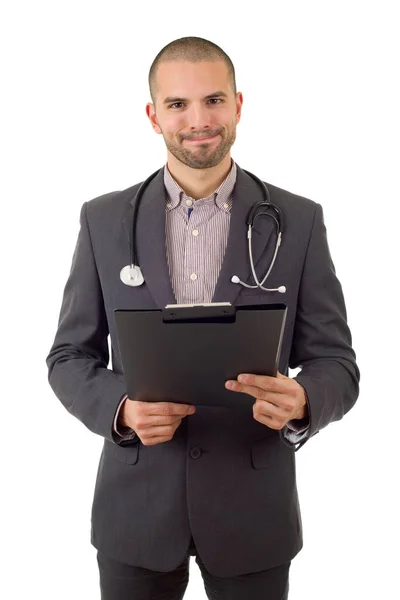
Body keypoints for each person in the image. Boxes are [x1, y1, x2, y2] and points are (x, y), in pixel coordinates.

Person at [45, 36, 360, 600]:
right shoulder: (104, 220)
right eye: (177, 105)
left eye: (214, 101)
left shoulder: (299, 220)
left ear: (239, 105)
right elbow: (69, 357)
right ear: (153, 115)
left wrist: (306, 399)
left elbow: (335, 361)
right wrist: (120, 410)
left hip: (252, 515)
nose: (198, 120)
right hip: (135, 512)